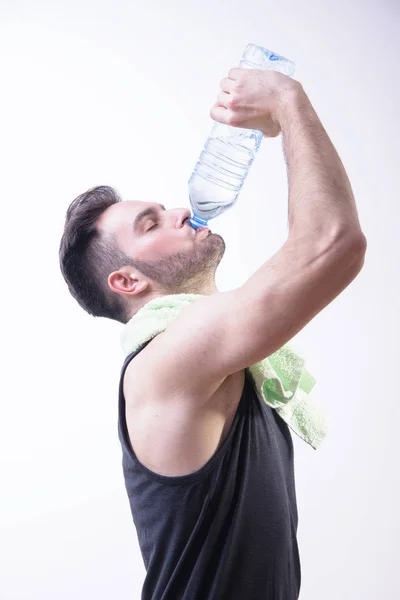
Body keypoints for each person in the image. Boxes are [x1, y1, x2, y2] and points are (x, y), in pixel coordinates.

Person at [59, 68, 367, 599]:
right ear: (128, 280)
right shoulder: (167, 358)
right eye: (152, 223)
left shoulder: (214, 354)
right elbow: (332, 243)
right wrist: (289, 102)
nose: (181, 212)